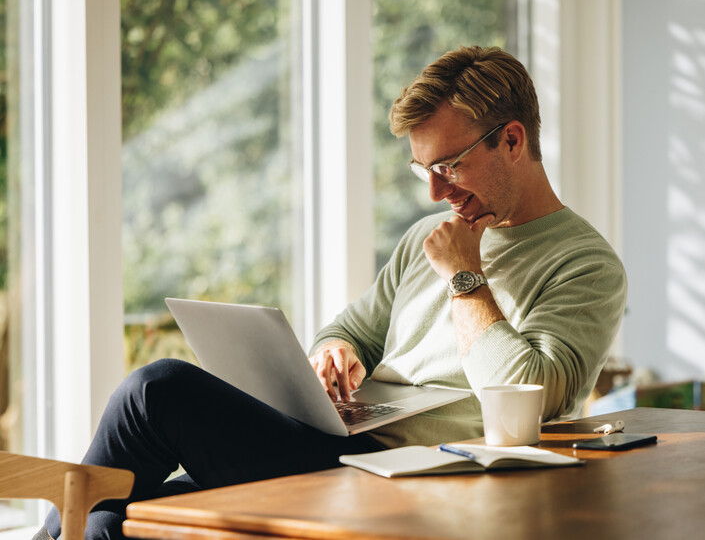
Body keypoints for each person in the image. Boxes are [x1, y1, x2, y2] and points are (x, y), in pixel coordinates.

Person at [36, 45, 626, 540]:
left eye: (449, 165)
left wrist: (464, 277)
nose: (434, 194)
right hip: (335, 441)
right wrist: (334, 353)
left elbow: (536, 396)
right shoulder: (427, 237)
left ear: (513, 140)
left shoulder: (586, 265)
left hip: (414, 474)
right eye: (424, 171)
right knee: (112, 521)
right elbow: (351, 330)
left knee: (156, 389)